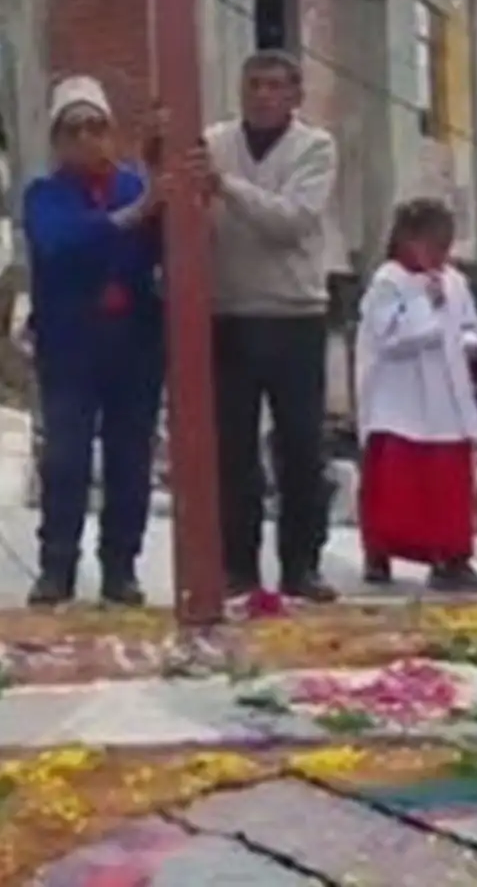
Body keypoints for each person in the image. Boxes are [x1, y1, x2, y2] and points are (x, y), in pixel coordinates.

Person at [185, 50, 339, 602]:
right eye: (254, 84)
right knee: (233, 451)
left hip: (294, 313)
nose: (264, 95)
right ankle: (238, 567)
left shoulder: (315, 147)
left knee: (300, 448)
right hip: (229, 311)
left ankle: (302, 565)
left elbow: (291, 222)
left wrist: (224, 186)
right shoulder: (214, 141)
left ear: (296, 95)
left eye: (276, 86)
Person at [21, 76, 166, 607]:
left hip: (134, 342)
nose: (86, 139)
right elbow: (59, 243)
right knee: (66, 458)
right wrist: (131, 217)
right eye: (73, 130)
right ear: (57, 142)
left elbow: (165, 245)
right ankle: (57, 566)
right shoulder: (44, 195)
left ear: (112, 133)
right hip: (70, 344)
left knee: (131, 457)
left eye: (95, 127)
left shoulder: (135, 185)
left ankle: (121, 567)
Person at [355, 197, 477, 593]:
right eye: (433, 245)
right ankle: (380, 552)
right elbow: (389, 337)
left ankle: (452, 557)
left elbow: (469, 325)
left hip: (447, 400)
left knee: (449, 487)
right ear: (407, 240)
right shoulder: (388, 281)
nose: (440, 255)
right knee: (396, 486)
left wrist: (472, 349)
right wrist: (424, 306)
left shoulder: (455, 282)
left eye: (446, 246)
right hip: (401, 401)